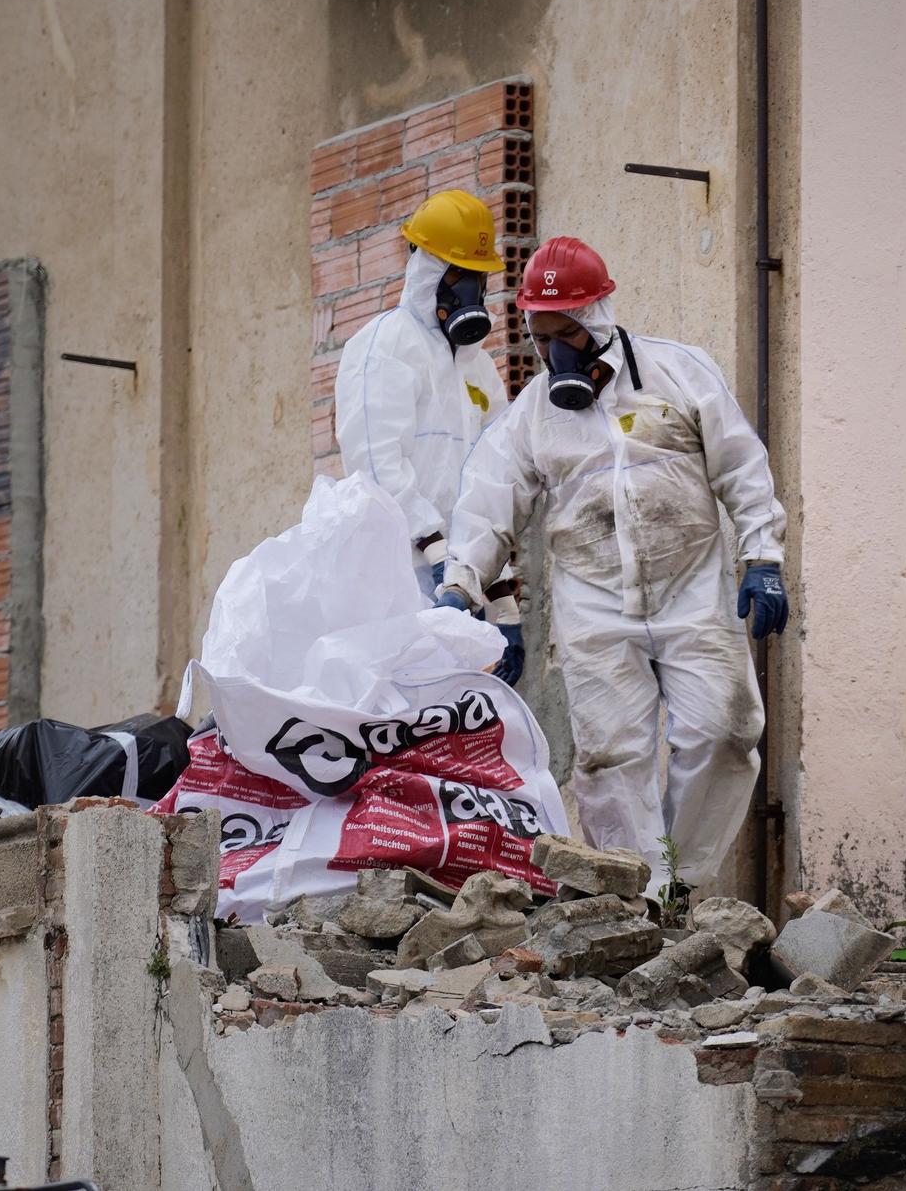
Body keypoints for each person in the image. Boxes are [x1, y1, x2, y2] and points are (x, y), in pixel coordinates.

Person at [437, 235, 790, 896]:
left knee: (727, 731)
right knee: (608, 759)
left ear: (598, 316)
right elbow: (490, 498)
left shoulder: (681, 373)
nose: (556, 353)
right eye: (542, 339)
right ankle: (633, 900)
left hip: (691, 587)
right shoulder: (533, 416)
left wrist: (763, 556)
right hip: (594, 603)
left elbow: (743, 468)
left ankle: (679, 885)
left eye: (567, 333)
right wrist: (462, 580)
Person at [336, 188, 525, 684]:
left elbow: (493, 484)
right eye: (456, 275)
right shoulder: (384, 346)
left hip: (463, 585)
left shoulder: (479, 368)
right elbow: (377, 466)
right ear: (425, 270)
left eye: (477, 278)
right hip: (396, 580)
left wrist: (502, 598)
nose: (469, 291)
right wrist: (440, 556)